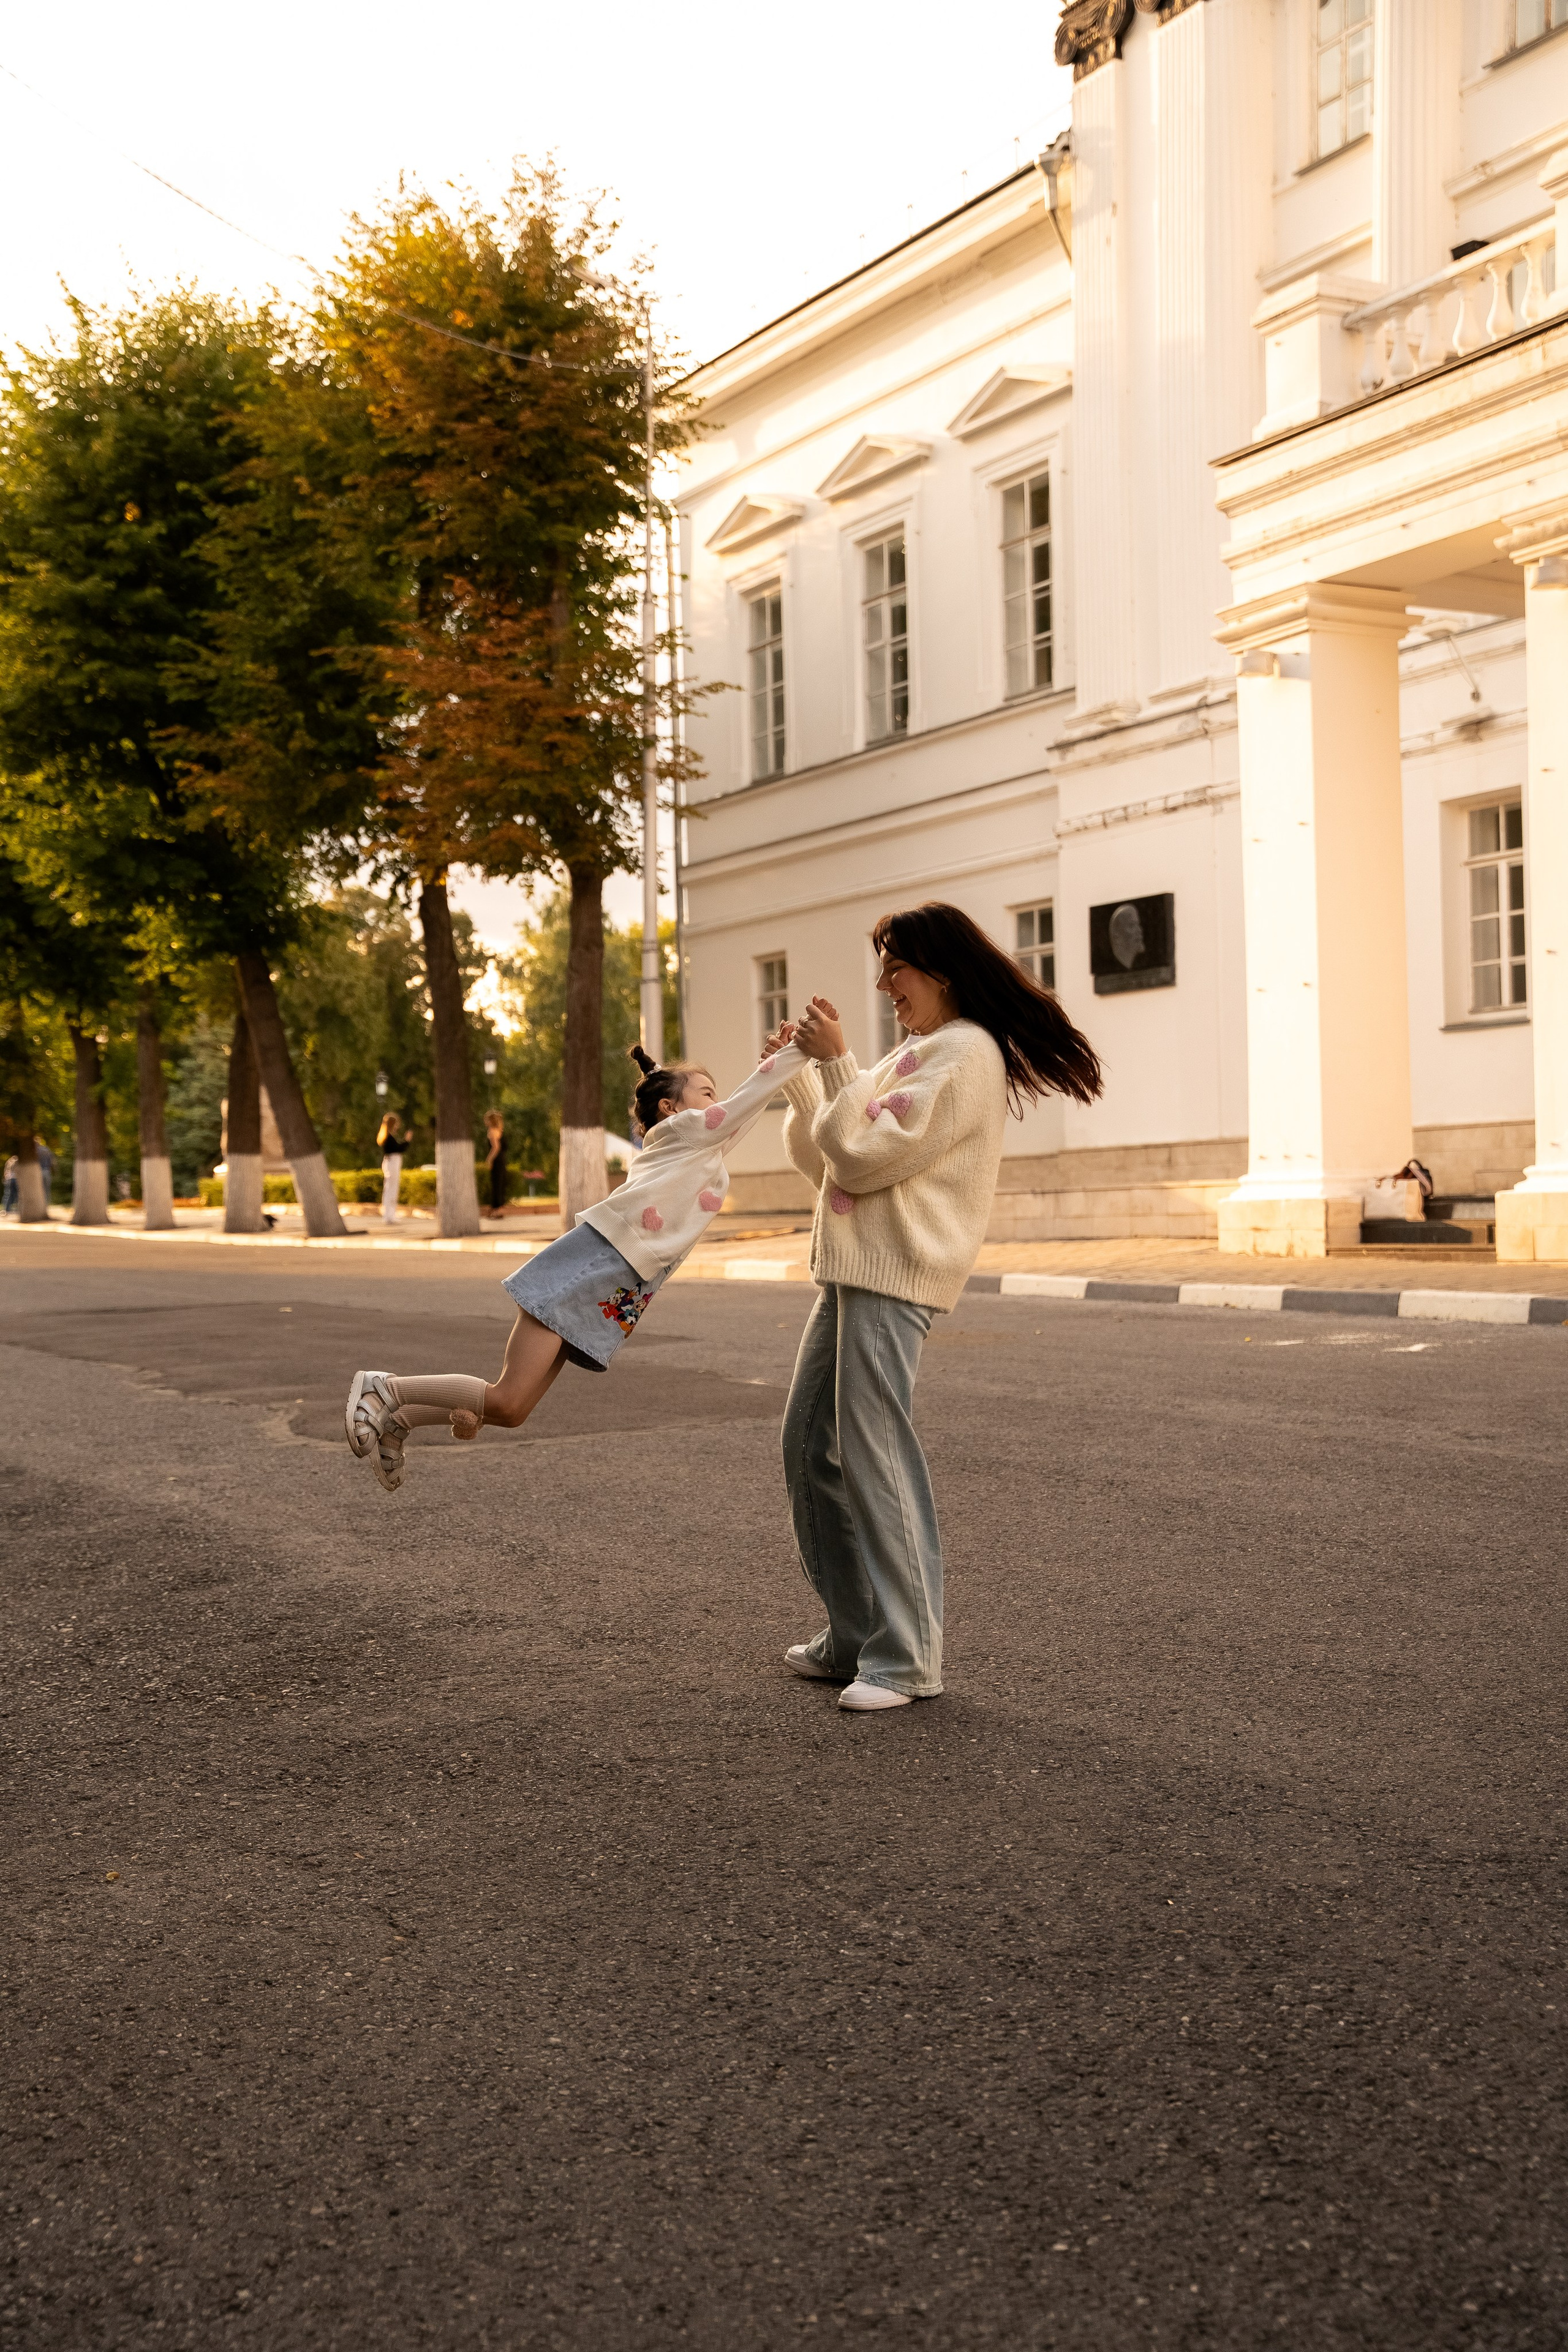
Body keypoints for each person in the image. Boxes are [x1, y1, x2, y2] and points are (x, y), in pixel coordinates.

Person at [776, 902, 1102, 1716]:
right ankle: (855, 1634)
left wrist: (841, 1063)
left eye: (897, 968)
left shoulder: (965, 1056)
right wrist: (804, 1080)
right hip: (855, 1269)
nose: (885, 985)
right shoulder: (920, 1052)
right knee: (807, 1444)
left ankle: (909, 1655)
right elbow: (827, 1157)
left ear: (942, 971)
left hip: (897, 1273)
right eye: (883, 969)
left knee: (874, 1451)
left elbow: (861, 1153)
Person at [345, 1036, 809, 1491]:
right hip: (593, 1265)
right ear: (670, 1108)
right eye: (707, 1094)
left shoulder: (696, 1152)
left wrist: (778, 1067)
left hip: (617, 1286)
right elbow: (738, 1110)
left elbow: (738, 1118)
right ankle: (386, 1388)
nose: (718, 1103)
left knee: (511, 1410)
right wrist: (796, 1053)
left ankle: (400, 1419)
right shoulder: (679, 1133)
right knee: (506, 1396)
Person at [376, 1112, 410, 1225]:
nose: (397, 1126)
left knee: (391, 1189)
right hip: (392, 1163)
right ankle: (388, 1216)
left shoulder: (387, 1136)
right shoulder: (388, 1137)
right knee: (391, 1190)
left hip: (391, 1163)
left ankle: (391, 1215)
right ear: (392, 1124)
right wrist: (407, 1141)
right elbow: (398, 1149)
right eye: (396, 1124)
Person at [483, 1109, 508, 1219]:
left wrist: (489, 1159)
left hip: (497, 1161)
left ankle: (498, 1210)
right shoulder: (500, 1130)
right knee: (500, 1183)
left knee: (496, 1184)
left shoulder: (492, 1131)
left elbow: (496, 1148)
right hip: (502, 1160)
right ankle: (498, 1209)